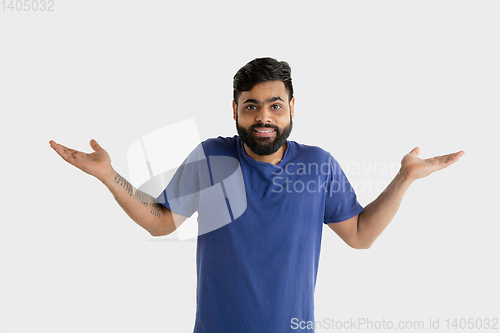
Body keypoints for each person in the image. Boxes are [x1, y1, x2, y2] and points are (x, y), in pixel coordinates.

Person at [49, 57, 465, 332]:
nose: (263, 116)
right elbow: (161, 222)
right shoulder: (213, 157)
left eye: (274, 105)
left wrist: (404, 178)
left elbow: (359, 235)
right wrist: (108, 175)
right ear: (234, 109)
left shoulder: (318, 165)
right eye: (251, 106)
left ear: (291, 108)